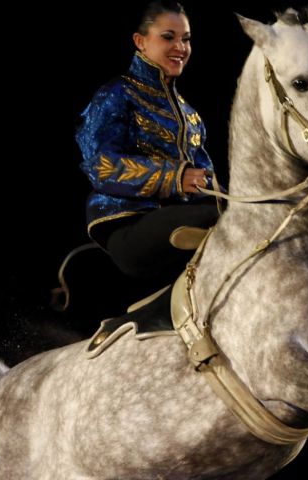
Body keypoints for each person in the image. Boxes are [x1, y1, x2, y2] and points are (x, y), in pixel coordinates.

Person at [75, 1, 220, 284]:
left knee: (247, 214)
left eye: (186, 39)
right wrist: (174, 177)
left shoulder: (190, 116)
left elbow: (207, 181)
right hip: (128, 224)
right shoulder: (116, 95)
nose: (180, 47)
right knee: (225, 217)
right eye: (169, 37)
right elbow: (101, 166)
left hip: (181, 217)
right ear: (140, 42)